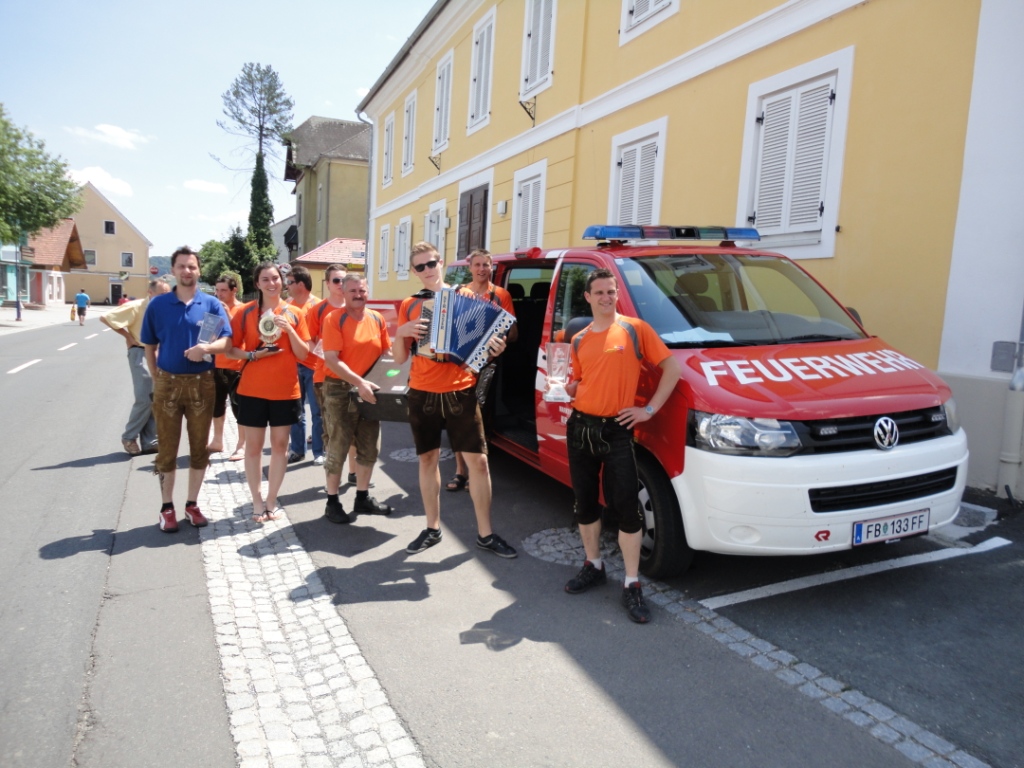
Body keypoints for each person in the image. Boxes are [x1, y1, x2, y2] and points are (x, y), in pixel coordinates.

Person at [559, 268, 681, 624]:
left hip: (617, 430)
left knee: (627, 508)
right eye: (599, 292)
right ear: (587, 297)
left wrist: (648, 410)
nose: (606, 297)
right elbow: (580, 380)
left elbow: (672, 369)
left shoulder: (635, 329)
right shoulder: (579, 339)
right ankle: (593, 565)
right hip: (580, 426)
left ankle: (631, 583)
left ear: (617, 294)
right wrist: (568, 389)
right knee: (584, 503)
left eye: (610, 291)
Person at [393, 242, 517, 558]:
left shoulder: (467, 296)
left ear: (442, 263)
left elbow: (487, 344)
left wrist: (495, 348)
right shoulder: (409, 304)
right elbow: (399, 359)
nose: (427, 270)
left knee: (479, 462)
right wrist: (401, 332)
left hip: (461, 388)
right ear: (414, 272)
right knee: (428, 459)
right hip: (422, 390)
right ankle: (432, 528)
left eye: (431, 263)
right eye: (420, 266)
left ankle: (486, 534)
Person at [141, 247, 232, 533]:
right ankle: (166, 508)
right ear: (173, 270)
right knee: (167, 449)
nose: (187, 271)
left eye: (192, 266)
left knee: (199, 448)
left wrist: (205, 348)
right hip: (167, 383)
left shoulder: (211, 304)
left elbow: (226, 341)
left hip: (201, 384)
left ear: (198, 270)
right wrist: (155, 375)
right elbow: (149, 345)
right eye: (181, 266)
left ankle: (192, 504)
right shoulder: (158, 305)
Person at [228, 262, 310, 523]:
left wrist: (289, 329)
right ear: (257, 283)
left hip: (285, 390)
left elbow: (303, 353)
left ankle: (272, 500)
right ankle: (256, 500)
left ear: (282, 281)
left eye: (275, 278)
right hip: (252, 389)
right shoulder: (245, 312)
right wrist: (253, 355)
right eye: (265, 279)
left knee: (280, 447)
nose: (272, 283)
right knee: (253, 448)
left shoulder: (295, 312)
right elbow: (231, 349)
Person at [320, 274, 395, 523]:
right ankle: (332, 502)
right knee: (338, 446)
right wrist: (359, 382)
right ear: (343, 292)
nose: (358, 295)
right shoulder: (334, 319)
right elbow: (331, 358)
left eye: (362, 290)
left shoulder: (376, 318)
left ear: (367, 291)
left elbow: (386, 353)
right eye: (352, 291)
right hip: (340, 390)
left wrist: (395, 377)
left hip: (369, 390)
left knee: (369, 446)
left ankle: (362, 498)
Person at [447, 248, 518, 493]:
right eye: (477, 265)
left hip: (486, 364)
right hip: (458, 365)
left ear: (492, 267)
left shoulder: (501, 295)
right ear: (470, 268)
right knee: (456, 417)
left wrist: (498, 337)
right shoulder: (459, 293)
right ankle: (460, 471)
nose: (481, 269)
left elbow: (513, 333)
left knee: (479, 419)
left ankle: (476, 472)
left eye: (485, 265)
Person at [101, 278, 171, 456]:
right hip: (140, 351)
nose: (166, 297)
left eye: (168, 294)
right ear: (150, 293)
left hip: (159, 353)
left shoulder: (165, 308)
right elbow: (106, 318)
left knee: (155, 396)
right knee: (144, 397)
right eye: (162, 294)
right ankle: (129, 436)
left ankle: (150, 441)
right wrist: (128, 337)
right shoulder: (136, 306)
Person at [304, 264, 361, 481]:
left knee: (356, 428)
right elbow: (307, 339)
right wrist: (322, 354)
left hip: (355, 376)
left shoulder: (357, 307)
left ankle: (354, 472)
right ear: (327, 283)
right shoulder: (318, 310)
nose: (340, 284)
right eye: (336, 280)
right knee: (332, 429)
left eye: (344, 280)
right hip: (325, 377)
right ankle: (333, 477)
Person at [285, 265, 323, 465]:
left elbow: (323, 339)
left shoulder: (317, 306)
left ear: (301, 284)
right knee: (295, 410)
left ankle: (319, 452)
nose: (286, 286)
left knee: (317, 411)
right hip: (292, 365)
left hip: (313, 366)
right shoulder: (286, 306)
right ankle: (297, 450)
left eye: (290, 282)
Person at [208, 274, 247, 461]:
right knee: (217, 405)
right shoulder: (214, 309)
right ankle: (217, 440)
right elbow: (209, 336)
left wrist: (228, 315)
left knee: (239, 407)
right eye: (217, 290)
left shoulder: (243, 309)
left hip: (237, 366)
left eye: (223, 290)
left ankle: (242, 445)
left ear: (234, 290)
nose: (219, 294)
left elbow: (243, 336)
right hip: (217, 364)